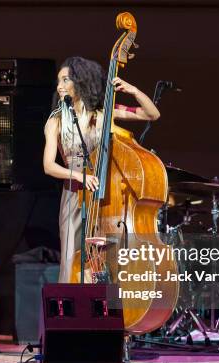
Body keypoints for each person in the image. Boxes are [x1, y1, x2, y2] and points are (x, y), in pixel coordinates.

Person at [42, 56, 161, 283]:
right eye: (58, 81)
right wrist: (78, 175)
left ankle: (104, 313)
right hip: (73, 196)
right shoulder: (56, 121)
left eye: (65, 80)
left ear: (81, 82)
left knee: (103, 263)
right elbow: (48, 166)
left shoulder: (103, 114)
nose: (59, 86)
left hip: (104, 196)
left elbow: (151, 114)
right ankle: (68, 314)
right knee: (70, 259)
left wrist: (133, 90)